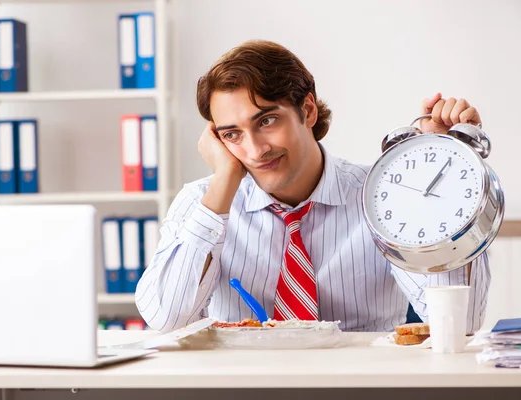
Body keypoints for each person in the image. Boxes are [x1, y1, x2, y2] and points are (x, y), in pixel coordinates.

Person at [135, 40, 489, 333]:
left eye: (267, 120)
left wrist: (446, 168)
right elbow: (167, 321)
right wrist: (224, 181)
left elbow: (459, 324)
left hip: (362, 387)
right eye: (233, 134)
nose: (255, 150)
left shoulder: (384, 196)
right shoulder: (203, 203)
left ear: (307, 110)